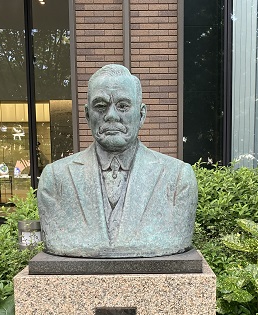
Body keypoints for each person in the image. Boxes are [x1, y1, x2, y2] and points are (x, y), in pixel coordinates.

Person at [37, 64, 197, 258]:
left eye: (123, 106)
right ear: (87, 115)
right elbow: (56, 238)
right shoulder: (55, 179)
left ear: (141, 115)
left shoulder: (178, 178)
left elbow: (177, 236)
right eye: (100, 106)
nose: (111, 115)